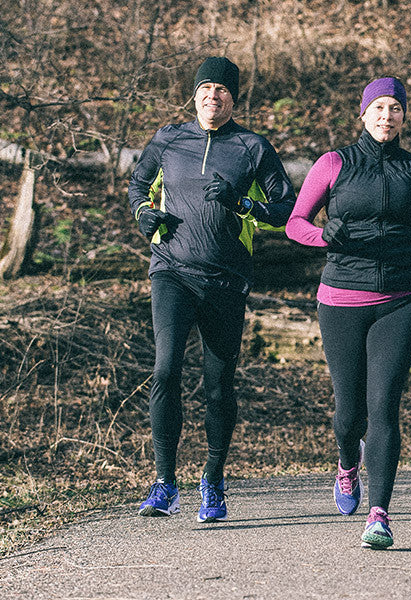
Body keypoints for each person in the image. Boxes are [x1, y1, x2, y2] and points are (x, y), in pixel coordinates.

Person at [285, 77, 411, 548]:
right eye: (378, 107)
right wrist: (325, 238)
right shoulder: (334, 163)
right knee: (349, 412)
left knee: (383, 407)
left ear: (404, 116)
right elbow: (295, 223)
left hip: (402, 298)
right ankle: (346, 464)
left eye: (395, 108)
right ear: (363, 114)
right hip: (341, 298)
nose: (387, 116)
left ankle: (379, 514)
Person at [128, 56, 296, 523]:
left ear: (233, 98)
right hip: (171, 271)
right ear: (195, 93)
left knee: (219, 385)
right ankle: (164, 483)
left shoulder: (251, 147)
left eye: (221, 90)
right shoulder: (168, 138)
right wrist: (144, 213)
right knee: (165, 369)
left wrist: (243, 203)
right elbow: (138, 183)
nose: (212, 96)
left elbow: (286, 208)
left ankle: (214, 481)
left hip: (225, 279)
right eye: (205, 88)